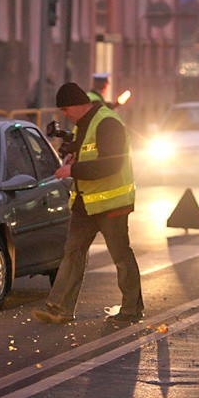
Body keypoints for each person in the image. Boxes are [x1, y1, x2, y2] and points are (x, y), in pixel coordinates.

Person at [32, 82, 143, 324]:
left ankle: (132, 308)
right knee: (72, 253)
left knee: (120, 256)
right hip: (85, 203)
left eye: (65, 108)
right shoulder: (84, 124)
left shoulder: (107, 123)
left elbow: (110, 164)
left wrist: (73, 169)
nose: (64, 114)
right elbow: (89, 154)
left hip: (112, 204)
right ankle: (59, 308)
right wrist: (73, 156)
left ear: (79, 104)